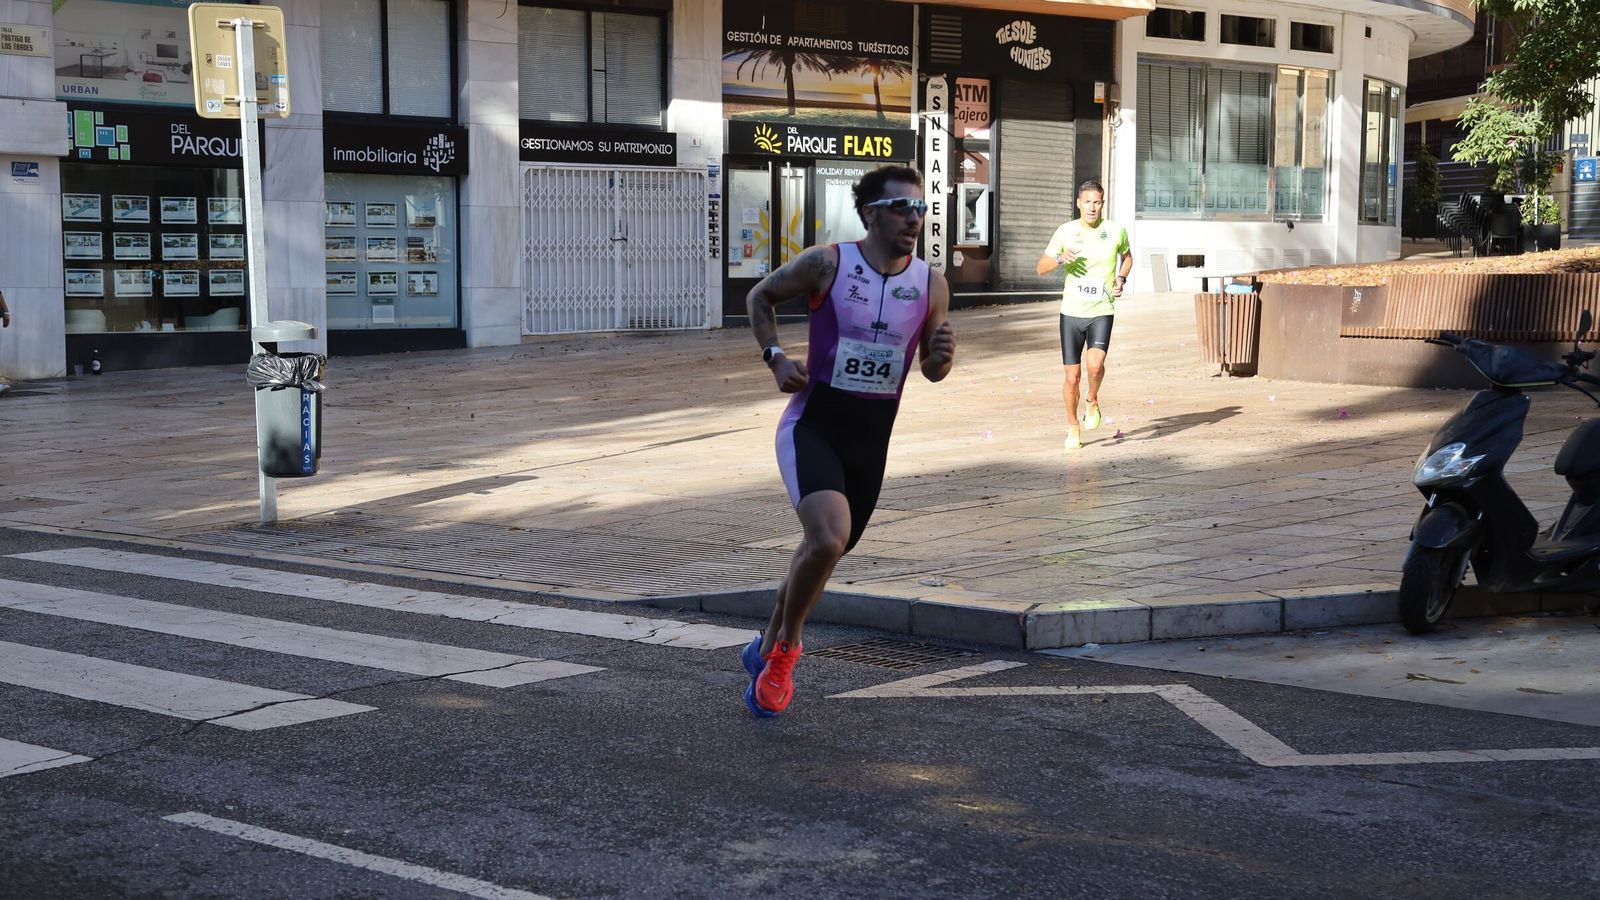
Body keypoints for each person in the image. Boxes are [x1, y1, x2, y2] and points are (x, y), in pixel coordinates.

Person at [742, 164, 955, 717]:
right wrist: (775, 357)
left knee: (822, 547)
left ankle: (764, 644)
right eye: (902, 208)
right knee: (829, 538)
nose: (915, 218)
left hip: (871, 441)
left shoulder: (931, 283)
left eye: (920, 208)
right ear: (870, 213)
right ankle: (786, 651)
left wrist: (939, 358)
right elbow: (760, 297)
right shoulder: (827, 263)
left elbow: (931, 370)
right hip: (813, 424)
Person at [1036, 180, 1131, 451]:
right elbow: (1040, 268)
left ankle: (1092, 399)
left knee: (1095, 367)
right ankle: (1072, 427)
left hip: (1102, 309)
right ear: (1078, 203)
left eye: (1097, 202)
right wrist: (1059, 258)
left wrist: (1121, 278)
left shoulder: (1115, 231)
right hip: (1071, 313)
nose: (1092, 207)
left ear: (1103, 204)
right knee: (1071, 377)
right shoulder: (1065, 232)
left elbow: (1127, 257)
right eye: (1087, 201)